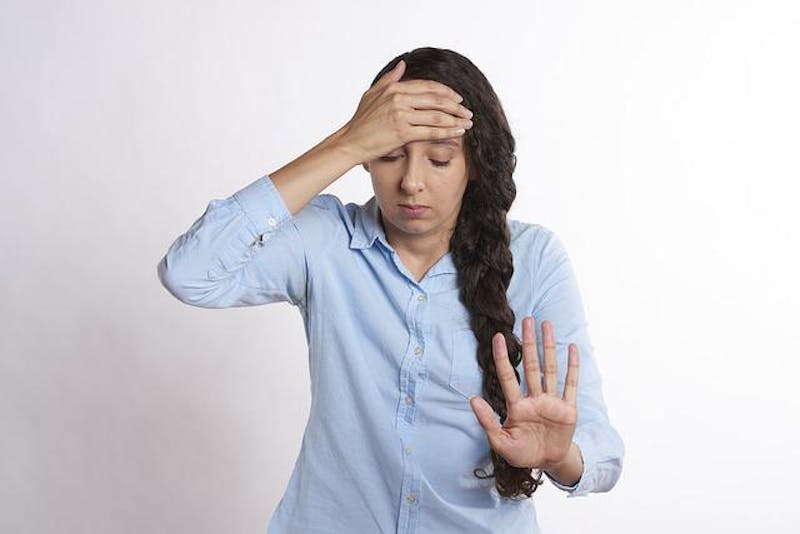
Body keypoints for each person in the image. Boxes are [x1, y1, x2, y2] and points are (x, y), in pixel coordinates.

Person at [157, 47, 624, 533]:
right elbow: (189, 272)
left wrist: (559, 456)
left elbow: (601, 449)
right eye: (388, 154)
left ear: (475, 165)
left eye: (439, 160)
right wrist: (345, 142)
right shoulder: (326, 239)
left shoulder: (534, 258)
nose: (411, 183)